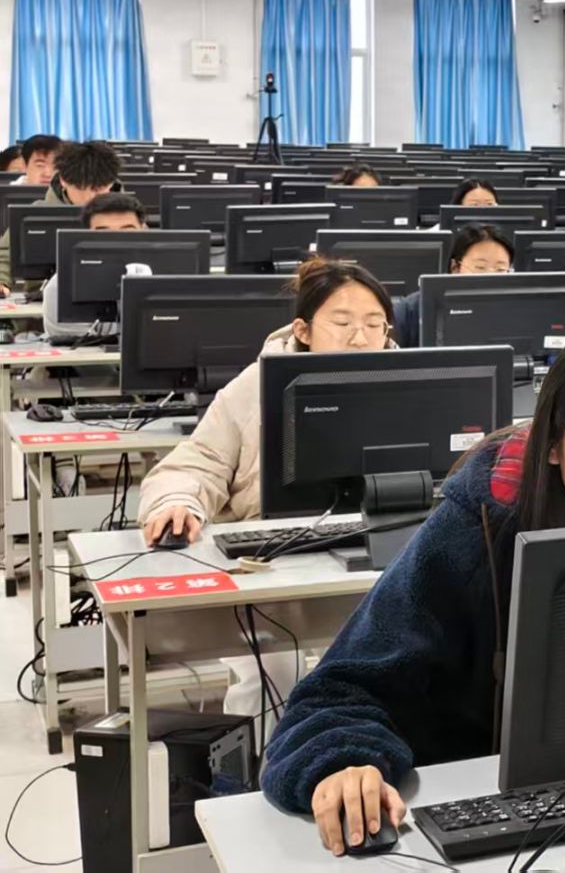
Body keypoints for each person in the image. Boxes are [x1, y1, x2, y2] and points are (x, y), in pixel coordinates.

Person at [260, 333, 565, 855]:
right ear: (552, 446)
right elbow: (340, 689)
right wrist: (344, 763)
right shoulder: (477, 524)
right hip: (479, 811)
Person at [135, 258, 397, 719]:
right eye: (342, 323)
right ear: (303, 330)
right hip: (271, 566)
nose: (360, 337)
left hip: (373, 558)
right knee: (276, 669)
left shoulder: (410, 380)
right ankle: (264, 762)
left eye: (374, 324)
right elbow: (197, 462)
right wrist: (176, 500)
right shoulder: (255, 386)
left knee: (391, 655)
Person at [0, 139, 123, 295]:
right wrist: (1, 281)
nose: (90, 196)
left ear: (111, 183)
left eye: (98, 189)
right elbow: (5, 255)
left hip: (114, 298)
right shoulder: (36, 214)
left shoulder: (129, 216)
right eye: (81, 187)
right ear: (63, 180)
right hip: (43, 300)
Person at [42, 193, 147, 337]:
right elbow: (75, 346)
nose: (117, 241)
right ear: (87, 236)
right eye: (105, 233)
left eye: (127, 232)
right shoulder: (61, 287)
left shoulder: (169, 276)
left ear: (144, 230)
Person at [391, 225, 515, 347]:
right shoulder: (410, 311)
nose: (490, 277)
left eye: (500, 270)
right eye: (480, 267)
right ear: (455, 267)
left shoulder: (515, 311)